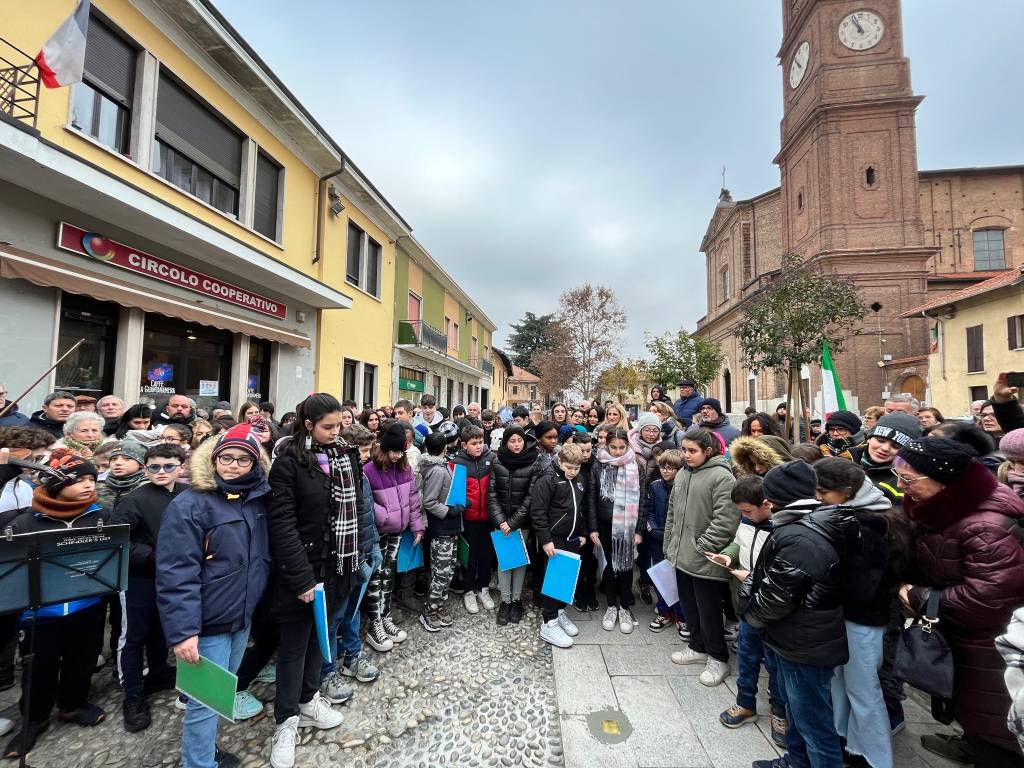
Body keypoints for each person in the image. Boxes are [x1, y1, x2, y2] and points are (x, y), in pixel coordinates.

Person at [895, 438, 1024, 767]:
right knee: (979, 718)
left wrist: (919, 597)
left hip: (991, 650)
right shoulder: (941, 508)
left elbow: (989, 597)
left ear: (943, 480)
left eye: (908, 480)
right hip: (966, 643)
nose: (899, 486)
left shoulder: (985, 526)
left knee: (998, 729)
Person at [156, 424, 271, 768]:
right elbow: (177, 573)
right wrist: (183, 631)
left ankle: (205, 752)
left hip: (242, 615)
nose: (234, 466)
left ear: (255, 464)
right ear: (213, 458)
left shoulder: (258, 499)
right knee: (204, 702)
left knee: (222, 691)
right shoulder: (190, 504)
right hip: (207, 621)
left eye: (243, 460)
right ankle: (198, 762)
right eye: (227, 458)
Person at [267, 394, 359, 768]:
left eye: (339, 426)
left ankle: (308, 700)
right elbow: (282, 524)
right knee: (293, 647)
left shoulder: (345, 454)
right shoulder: (288, 462)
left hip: (339, 565)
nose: (336, 433)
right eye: (328, 427)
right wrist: (302, 578)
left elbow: (358, 507)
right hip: (301, 570)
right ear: (308, 425)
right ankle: (285, 720)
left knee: (320, 640)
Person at [746, 460, 856, 768]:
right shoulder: (805, 524)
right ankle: (795, 762)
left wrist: (751, 613)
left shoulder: (802, 535)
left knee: (813, 722)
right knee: (799, 712)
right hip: (799, 635)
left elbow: (778, 596)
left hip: (804, 639)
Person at [3, 453, 108, 758]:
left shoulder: (101, 514)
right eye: (79, 480)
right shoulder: (25, 521)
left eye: (92, 478)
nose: (89, 485)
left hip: (87, 604)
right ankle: (34, 719)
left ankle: (72, 704)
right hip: (41, 611)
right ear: (54, 484)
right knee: (39, 664)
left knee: (84, 657)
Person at [814, 458, 897, 768]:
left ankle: (874, 757)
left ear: (847, 492)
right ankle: (842, 738)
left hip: (862, 618)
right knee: (839, 683)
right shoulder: (842, 514)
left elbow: (863, 583)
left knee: (863, 690)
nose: (819, 497)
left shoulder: (871, 524)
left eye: (824, 491)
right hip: (841, 614)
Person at [112, 443, 186, 732]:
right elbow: (118, 542)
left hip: (173, 577)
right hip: (139, 578)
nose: (161, 472)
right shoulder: (134, 500)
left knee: (161, 628)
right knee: (134, 635)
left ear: (180, 467)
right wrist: (154, 556)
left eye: (168, 466)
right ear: (146, 469)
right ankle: (132, 694)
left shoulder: (186, 493)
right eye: (154, 467)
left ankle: (158, 672)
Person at [710, 474, 787, 749]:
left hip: (772, 605)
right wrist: (728, 556)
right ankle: (745, 703)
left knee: (775, 663)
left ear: (767, 504)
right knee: (747, 653)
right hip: (747, 602)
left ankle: (780, 713)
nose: (744, 515)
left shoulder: (781, 528)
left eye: (747, 511)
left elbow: (782, 571)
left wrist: (751, 576)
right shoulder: (746, 521)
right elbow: (739, 542)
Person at [664, 427, 739, 686]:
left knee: (708, 611)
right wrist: (670, 543)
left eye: (692, 451)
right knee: (690, 607)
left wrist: (702, 546)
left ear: (708, 451)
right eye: (684, 450)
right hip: (682, 555)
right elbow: (672, 511)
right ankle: (697, 646)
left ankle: (718, 657)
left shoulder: (721, 477)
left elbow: (726, 520)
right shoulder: (684, 473)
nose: (686, 455)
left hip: (705, 558)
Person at [362, 423, 423, 653]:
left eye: (401, 451)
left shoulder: (405, 469)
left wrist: (417, 526)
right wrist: (385, 515)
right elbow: (366, 501)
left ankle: (385, 615)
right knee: (376, 577)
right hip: (379, 532)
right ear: (385, 449)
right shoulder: (370, 470)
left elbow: (413, 500)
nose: (397, 455)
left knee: (389, 575)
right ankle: (374, 623)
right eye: (394, 451)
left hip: (398, 531)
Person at [531, 442, 588, 649]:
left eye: (577, 468)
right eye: (569, 468)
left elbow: (579, 508)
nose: (573, 472)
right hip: (555, 538)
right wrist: (546, 539)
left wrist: (582, 532)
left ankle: (560, 611)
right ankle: (549, 621)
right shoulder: (547, 480)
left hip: (572, 537)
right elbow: (538, 512)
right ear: (560, 461)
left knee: (565, 577)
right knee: (554, 579)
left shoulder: (579, 479)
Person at [487, 425, 539, 625]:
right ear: (505, 443)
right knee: (503, 561)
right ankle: (505, 601)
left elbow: (531, 497)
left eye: (520, 440)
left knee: (519, 562)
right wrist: (501, 521)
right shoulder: (497, 461)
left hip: (521, 522)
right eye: (512, 441)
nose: (517, 445)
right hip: (501, 523)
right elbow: (492, 494)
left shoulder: (533, 462)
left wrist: (513, 522)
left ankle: (517, 600)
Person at [416, 431, 461, 632]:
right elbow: (429, 501)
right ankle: (430, 608)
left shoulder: (442, 466)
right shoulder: (437, 470)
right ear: (445, 448)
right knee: (440, 572)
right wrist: (449, 511)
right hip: (441, 527)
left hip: (449, 528)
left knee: (448, 568)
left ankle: (440, 604)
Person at [452, 424, 496, 614]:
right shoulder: (457, 463)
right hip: (468, 519)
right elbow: (456, 494)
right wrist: (466, 503)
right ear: (464, 445)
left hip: (488, 517)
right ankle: (469, 590)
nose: (479, 447)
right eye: (474, 443)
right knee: (469, 556)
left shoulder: (491, 459)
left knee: (486, 554)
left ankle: (483, 587)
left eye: (481, 442)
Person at [645, 450, 687, 635]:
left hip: (678, 539)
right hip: (657, 539)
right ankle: (663, 612)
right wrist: (653, 530)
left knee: (679, 580)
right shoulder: (654, 486)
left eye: (671, 468)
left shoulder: (685, 486)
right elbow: (649, 511)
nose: (666, 471)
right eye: (663, 467)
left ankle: (681, 615)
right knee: (661, 577)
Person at [97, 440, 148, 511]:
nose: (118, 463)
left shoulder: (148, 487)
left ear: (141, 464)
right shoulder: (99, 486)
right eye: (114, 459)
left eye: (127, 459)